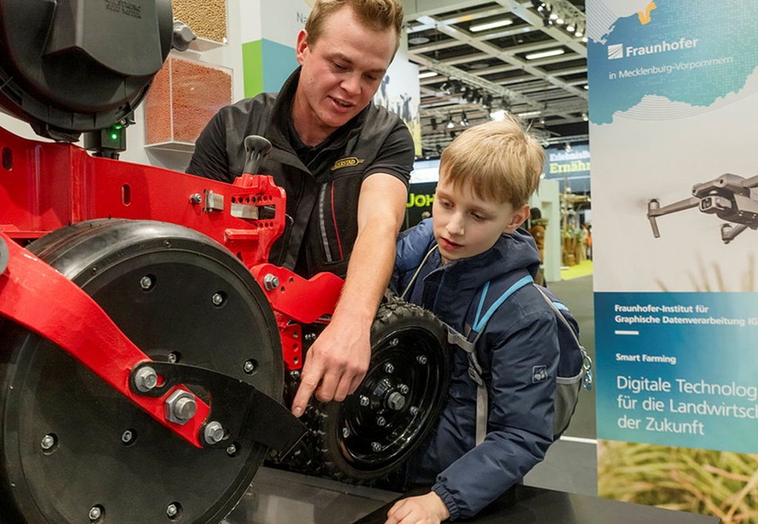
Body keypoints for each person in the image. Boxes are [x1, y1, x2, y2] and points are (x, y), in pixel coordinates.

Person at [187, 0, 414, 417]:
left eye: (371, 76)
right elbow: (193, 239)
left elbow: (380, 224)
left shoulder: (387, 137)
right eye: (340, 65)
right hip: (235, 348)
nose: (352, 88)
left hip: (340, 356)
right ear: (304, 46)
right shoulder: (233, 129)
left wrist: (352, 324)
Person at [386, 118, 558, 523]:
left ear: (515, 218)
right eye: (445, 203)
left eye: (478, 216)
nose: (453, 226)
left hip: (456, 491)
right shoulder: (415, 251)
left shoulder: (524, 315)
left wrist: (441, 500)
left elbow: (523, 434)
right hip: (384, 463)